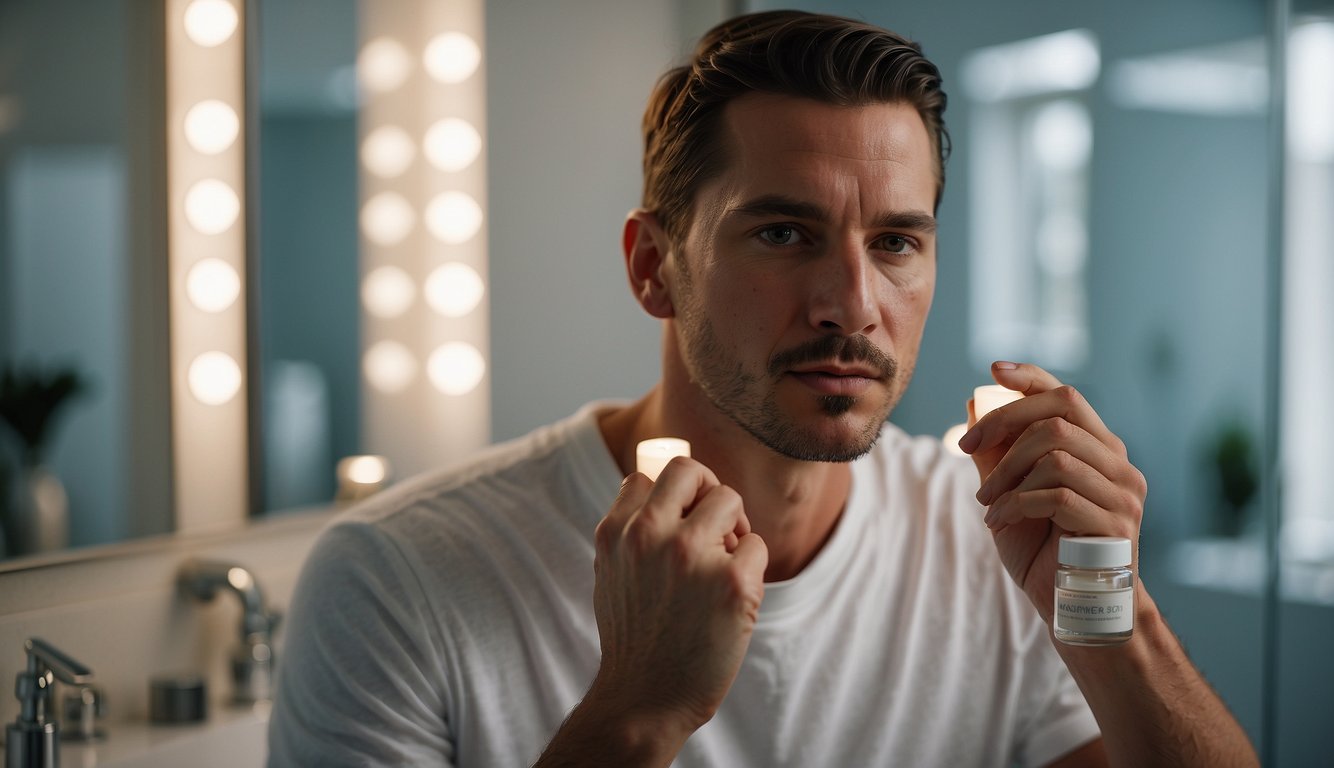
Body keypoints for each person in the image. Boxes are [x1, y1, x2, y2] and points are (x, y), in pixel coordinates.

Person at [267, 10, 1257, 767]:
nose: (850, 304)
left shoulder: (990, 531)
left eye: (895, 242)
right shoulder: (394, 583)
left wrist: (1107, 612)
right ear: (654, 265)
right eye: (783, 233)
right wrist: (634, 716)